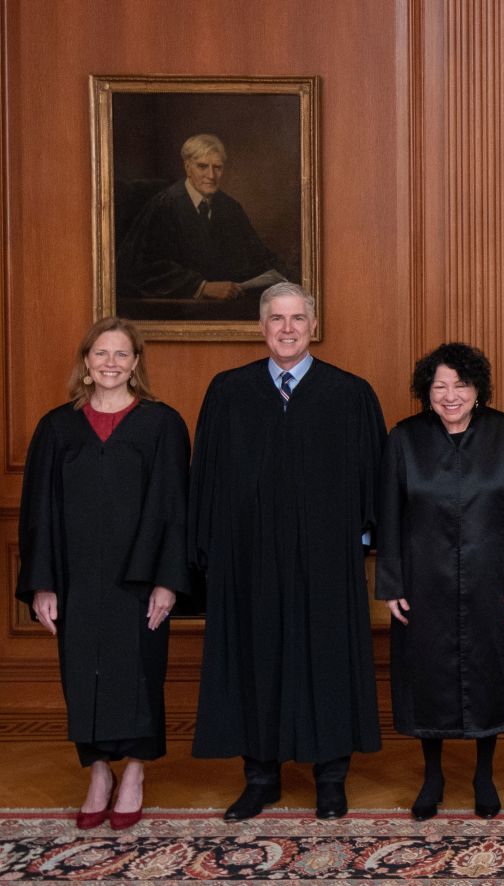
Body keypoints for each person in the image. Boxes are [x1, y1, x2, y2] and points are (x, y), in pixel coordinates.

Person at [190, 282, 386, 822]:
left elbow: (373, 481)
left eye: (297, 318)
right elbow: (204, 481)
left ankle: (330, 778)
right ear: (261, 327)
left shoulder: (350, 394)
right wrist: (211, 554)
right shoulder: (228, 393)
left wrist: (357, 546)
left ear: (314, 326)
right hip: (248, 563)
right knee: (254, 662)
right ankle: (260, 778)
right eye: (276, 319)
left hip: (325, 562)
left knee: (327, 659)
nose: (287, 328)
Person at [16, 317, 189, 831]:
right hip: (74, 577)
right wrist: (44, 582)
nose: (110, 363)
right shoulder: (57, 427)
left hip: (138, 579)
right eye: (100, 354)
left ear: (136, 363)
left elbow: (175, 508)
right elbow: (39, 510)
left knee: (140, 672)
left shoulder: (162, 424)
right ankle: (98, 772)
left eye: (121, 354)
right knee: (81, 673)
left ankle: (134, 771)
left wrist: (167, 580)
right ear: (86, 363)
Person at [377, 343, 504, 821]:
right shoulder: (403, 438)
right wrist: (392, 584)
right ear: (426, 391)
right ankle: (433, 776)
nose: (450, 396)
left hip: (493, 581)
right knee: (428, 678)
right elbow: (388, 517)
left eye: (460, 386)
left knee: (488, 675)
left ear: (477, 390)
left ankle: (484, 775)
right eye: (439, 386)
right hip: (424, 582)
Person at [116, 133, 289, 308]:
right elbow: (142, 266)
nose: (211, 175)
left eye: (217, 167)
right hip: (177, 309)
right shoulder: (164, 206)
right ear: (187, 167)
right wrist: (202, 286)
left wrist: (291, 275)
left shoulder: (230, 207)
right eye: (202, 166)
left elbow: (257, 256)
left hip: (226, 306)